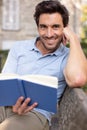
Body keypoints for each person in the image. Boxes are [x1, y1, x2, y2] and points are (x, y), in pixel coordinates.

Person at [0, 0, 87, 130]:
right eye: (43, 27)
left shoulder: (68, 56)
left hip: (36, 114)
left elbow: (78, 79)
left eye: (55, 27)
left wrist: (74, 38)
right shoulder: (19, 48)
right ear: (38, 27)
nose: (49, 34)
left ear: (65, 28)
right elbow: (6, 83)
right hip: (5, 107)